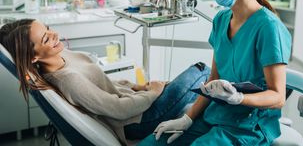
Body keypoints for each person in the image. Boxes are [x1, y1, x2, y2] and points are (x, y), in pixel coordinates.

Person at [139, 0, 292, 145]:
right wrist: (187, 119)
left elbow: (278, 97)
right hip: (214, 116)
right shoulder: (221, 20)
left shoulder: (269, 28)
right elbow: (213, 79)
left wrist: (239, 98)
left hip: (246, 126)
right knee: (152, 142)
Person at [0, 19, 210, 145]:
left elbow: (104, 82)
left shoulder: (64, 57)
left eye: (48, 29)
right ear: (33, 57)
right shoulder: (68, 80)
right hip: (134, 123)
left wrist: (138, 87)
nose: (54, 35)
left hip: (138, 106)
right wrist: (153, 93)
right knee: (201, 71)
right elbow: (117, 109)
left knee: (199, 84)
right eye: (46, 39)